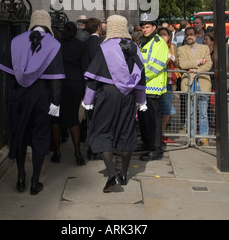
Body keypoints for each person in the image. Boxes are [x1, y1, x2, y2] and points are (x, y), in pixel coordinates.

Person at [0, 10, 65, 195]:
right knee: (40, 136)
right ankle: (35, 182)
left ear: (32, 23)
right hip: (42, 96)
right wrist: (56, 102)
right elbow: (56, 78)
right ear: (48, 24)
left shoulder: (17, 41)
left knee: (20, 134)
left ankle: (20, 177)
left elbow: (7, 71)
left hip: (19, 94)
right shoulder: (54, 44)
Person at [82, 14, 147, 193]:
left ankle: (112, 175)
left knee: (103, 132)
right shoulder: (134, 47)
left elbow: (93, 78)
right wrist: (141, 100)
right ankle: (124, 174)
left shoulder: (104, 47)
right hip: (128, 97)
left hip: (107, 96)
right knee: (126, 132)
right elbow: (141, 75)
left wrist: (88, 100)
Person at [51, 21, 90, 165]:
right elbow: (85, 67)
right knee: (74, 118)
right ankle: (78, 151)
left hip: (58, 84)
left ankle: (56, 151)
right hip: (75, 84)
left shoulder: (56, 45)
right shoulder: (81, 45)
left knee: (55, 119)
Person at [138, 13, 169, 161]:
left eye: (147, 27)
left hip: (152, 87)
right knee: (144, 119)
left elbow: (156, 66)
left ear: (154, 27)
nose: (145, 30)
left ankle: (156, 149)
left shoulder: (159, 43)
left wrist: (139, 78)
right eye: (143, 27)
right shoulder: (143, 42)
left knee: (153, 120)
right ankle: (146, 143)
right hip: (143, 87)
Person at [178, 26, 212, 146]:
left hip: (202, 81)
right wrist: (198, 61)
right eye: (187, 35)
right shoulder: (181, 49)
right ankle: (191, 137)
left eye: (191, 34)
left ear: (196, 35)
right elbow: (182, 64)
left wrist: (197, 70)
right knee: (190, 112)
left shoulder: (204, 48)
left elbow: (209, 64)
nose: (189, 37)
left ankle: (203, 137)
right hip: (188, 83)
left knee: (203, 112)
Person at [158, 26, 179, 144]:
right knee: (164, 110)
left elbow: (177, 62)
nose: (162, 37)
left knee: (167, 109)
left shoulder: (173, 47)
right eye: (160, 35)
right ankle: (161, 134)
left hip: (169, 80)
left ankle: (163, 134)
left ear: (169, 36)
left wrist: (172, 56)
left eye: (164, 35)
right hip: (158, 81)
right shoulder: (156, 46)